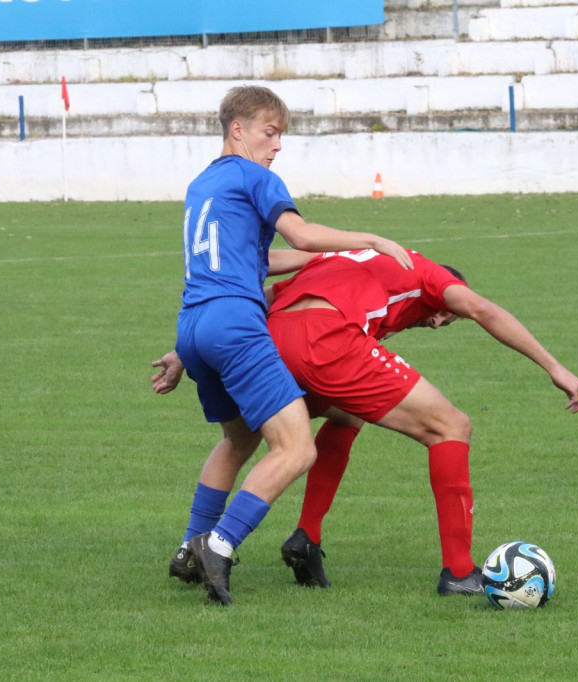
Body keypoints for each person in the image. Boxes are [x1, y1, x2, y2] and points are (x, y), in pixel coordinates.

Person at [153, 248, 578, 596]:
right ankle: (458, 572)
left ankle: (294, 537)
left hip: (272, 336)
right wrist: (555, 367)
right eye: (443, 315)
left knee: (301, 424)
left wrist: (183, 351)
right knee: (452, 426)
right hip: (327, 337)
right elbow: (485, 310)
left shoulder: (341, 259)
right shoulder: (426, 273)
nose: (437, 323)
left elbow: (265, 298)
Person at [170, 85, 414, 605]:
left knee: (238, 441)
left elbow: (256, 260)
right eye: (269, 131)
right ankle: (219, 545)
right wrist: (367, 240)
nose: (276, 145)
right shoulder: (256, 176)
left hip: (192, 326)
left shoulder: (202, 184)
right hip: (235, 324)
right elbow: (299, 235)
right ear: (237, 128)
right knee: (297, 446)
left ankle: (190, 545)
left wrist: (324, 263)